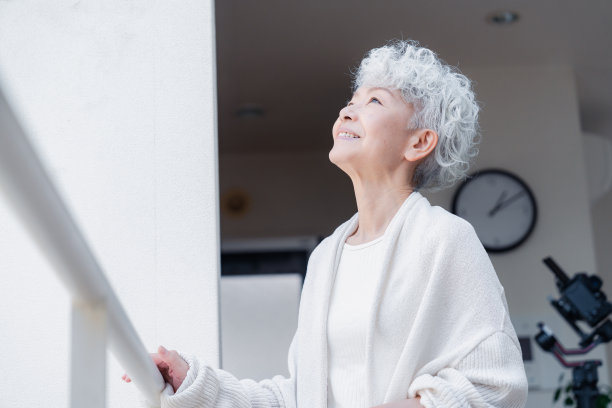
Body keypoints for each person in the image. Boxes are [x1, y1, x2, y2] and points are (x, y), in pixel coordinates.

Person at [124, 40, 528, 408]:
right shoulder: (324, 259)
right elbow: (299, 398)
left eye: (374, 101)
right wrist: (196, 383)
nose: (347, 110)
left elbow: (495, 384)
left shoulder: (445, 240)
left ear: (419, 142)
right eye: (351, 100)